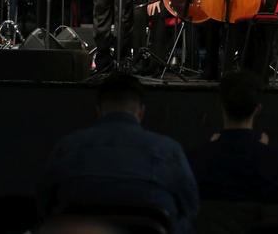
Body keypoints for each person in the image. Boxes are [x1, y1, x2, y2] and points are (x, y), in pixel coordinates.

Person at [37, 74, 198, 232]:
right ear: (141, 112)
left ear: (98, 111)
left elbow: (45, 206)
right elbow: (190, 208)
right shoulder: (169, 151)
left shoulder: (67, 147)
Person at [187, 71, 278, 217]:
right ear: (257, 109)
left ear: (221, 105)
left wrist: (209, 150)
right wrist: (264, 153)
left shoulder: (196, 159)